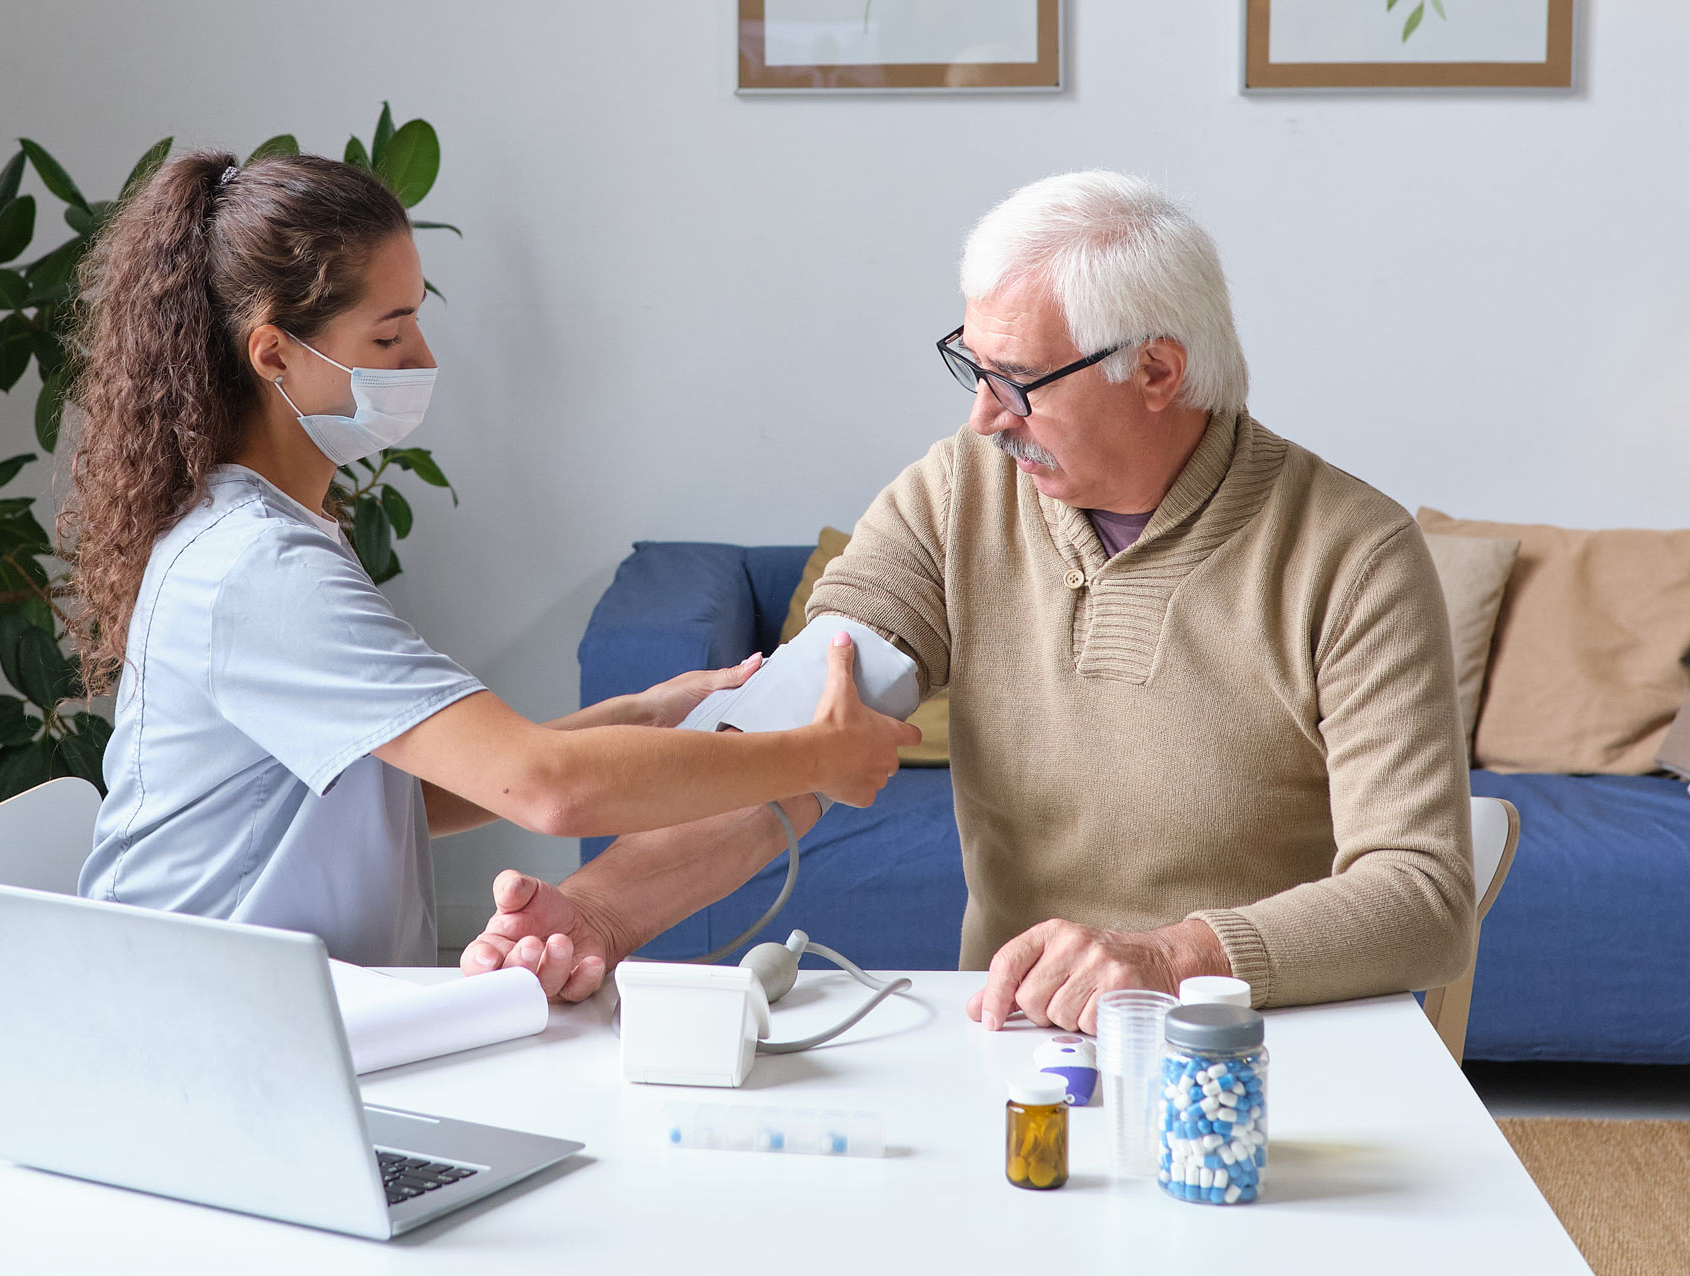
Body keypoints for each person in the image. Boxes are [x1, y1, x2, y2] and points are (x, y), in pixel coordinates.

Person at [463, 170, 1476, 1030]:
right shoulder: (956, 496)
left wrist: (1168, 958)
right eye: (972, 365)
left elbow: (1423, 896)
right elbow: (794, 747)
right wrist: (594, 914)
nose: (985, 416)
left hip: (1255, 1039)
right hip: (1027, 1035)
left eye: (1019, 381)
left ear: (1158, 369)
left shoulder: (1353, 552)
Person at [64, 150, 918, 966]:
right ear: (275, 352)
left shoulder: (269, 532)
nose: (424, 360)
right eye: (391, 336)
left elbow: (409, 796)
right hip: (210, 1015)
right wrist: (815, 757)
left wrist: (649, 714)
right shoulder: (259, 569)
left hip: (276, 1002)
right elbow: (544, 787)